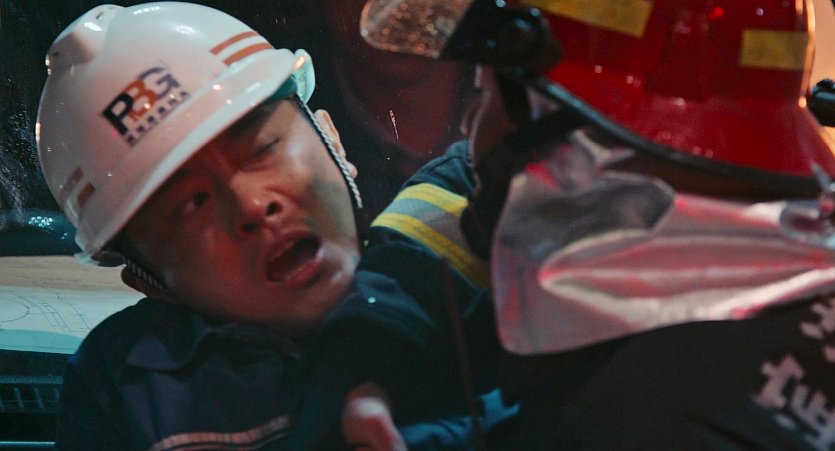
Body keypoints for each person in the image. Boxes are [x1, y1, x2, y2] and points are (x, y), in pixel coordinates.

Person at [362, 0, 835, 449]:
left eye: (485, 93)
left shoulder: (631, 415)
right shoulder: (799, 269)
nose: (470, 126)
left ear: (569, 130)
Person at [37, 2, 511, 449]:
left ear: (332, 140)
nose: (252, 205)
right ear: (147, 281)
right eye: (192, 204)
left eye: (262, 148)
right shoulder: (125, 384)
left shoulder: (469, 245)